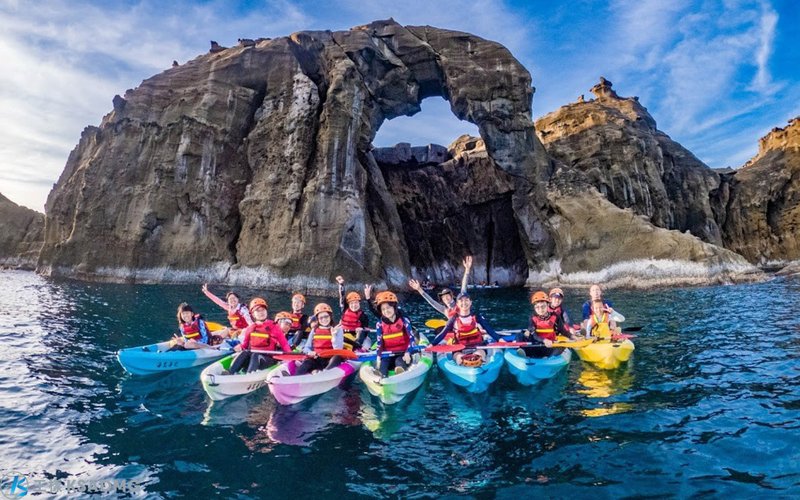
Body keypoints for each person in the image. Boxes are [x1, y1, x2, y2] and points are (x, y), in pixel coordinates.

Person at [432, 292, 502, 366]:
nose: (464, 303)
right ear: (457, 304)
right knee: (460, 358)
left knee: (478, 356)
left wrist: (499, 339)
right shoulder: (453, 319)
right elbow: (443, 333)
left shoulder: (476, 316)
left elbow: (489, 329)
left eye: (466, 300)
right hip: (459, 349)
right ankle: (463, 365)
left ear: (470, 302)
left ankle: (479, 364)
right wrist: (432, 344)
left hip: (478, 346)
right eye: (461, 301)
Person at [226, 298, 291, 374]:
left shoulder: (274, 327)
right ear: (253, 314)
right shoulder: (251, 328)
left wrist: (289, 356)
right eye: (258, 311)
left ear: (266, 311)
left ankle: (249, 375)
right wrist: (239, 347)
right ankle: (230, 372)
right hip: (253, 358)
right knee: (245, 352)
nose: (261, 313)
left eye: (263, 310)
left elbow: (284, 344)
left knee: (255, 355)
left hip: (268, 359)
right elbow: (245, 346)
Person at [409, 255, 473, 317]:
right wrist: (419, 289)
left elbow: (463, 288)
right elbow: (431, 302)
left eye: (447, 296)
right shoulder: (444, 310)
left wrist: (467, 270)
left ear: (451, 296)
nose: (446, 298)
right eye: (444, 297)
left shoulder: (459, 304)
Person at [373, 291, 417, 377]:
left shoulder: (404, 321)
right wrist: (378, 357)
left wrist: (408, 352)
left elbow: (411, 339)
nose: (386, 311)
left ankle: (400, 372)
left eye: (388, 307)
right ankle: (381, 376)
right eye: (383, 309)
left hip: (403, 353)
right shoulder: (379, 324)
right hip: (387, 354)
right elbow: (379, 343)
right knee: (384, 364)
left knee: (399, 362)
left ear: (394, 307)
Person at [518, 291, 573, 358]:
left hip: (549, 346)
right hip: (535, 346)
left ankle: (550, 358)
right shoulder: (532, 318)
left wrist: (572, 336)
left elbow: (563, 331)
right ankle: (522, 352)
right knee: (520, 334)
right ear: (534, 308)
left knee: (562, 345)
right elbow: (534, 334)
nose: (540, 310)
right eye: (537, 307)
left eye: (543, 306)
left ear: (547, 305)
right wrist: (544, 340)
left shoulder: (555, 316)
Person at [296, 303, 345, 375]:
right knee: (307, 362)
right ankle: (295, 377)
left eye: (326, 316)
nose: (324, 319)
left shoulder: (338, 329)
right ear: (318, 319)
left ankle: (324, 374)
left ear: (330, 316)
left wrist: (334, 336)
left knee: (337, 357)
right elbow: (307, 347)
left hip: (330, 360)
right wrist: (310, 352)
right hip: (317, 358)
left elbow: (338, 349)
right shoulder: (314, 330)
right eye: (321, 318)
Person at [335, 275, 371, 351]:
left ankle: (358, 348)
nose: (354, 305)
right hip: (344, 335)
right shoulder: (344, 310)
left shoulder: (363, 316)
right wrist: (341, 285)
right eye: (351, 303)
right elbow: (342, 296)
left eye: (356, 303)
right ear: (348, 304)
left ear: (359, 303)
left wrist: (361, 329)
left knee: (364, 335)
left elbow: (365, 330)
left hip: (356, 337)